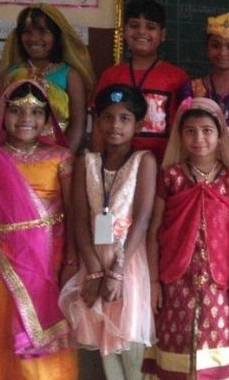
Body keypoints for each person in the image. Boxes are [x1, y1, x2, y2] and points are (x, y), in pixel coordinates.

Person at [0, 80, 78, 379]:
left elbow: (74, 213)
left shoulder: (60, 157)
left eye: (36, 112)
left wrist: (70, 263)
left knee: (42, 348)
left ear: (47, 118)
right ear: (2, 114)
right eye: (16, 110)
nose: (26, 118)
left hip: (48, 262)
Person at [141, 97, 229, 379]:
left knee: (218, 349)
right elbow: (154, 231)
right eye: (190, 131)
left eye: (206, 130)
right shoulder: (170, 177)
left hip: (220, 281)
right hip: (175, 279)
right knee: (174, 348)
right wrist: (154, 282)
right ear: (180, 135)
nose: (199, 138)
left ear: (220, 135)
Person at [58, 84, 155, 380]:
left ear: (138, 124)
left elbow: (142, 219)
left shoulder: (144, 161)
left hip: (128, 265)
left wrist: (116, 271)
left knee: (130, 347)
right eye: (108, 117)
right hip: (94, 263)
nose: (115, 125)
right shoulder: (86, 163)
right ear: (97, 121)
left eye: (125, 118)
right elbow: (79, 218)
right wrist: (95, 271)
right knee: (105, 350)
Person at [92, 0, 189, 162]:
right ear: (124, 31)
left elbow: (185, 125)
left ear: (163, 35)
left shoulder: (177, 77)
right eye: (134, 25)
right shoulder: (111, 75)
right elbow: (98, 123)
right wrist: (97, 163)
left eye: (150, 27)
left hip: (164, 164)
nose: (141, 32)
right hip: (116, 164)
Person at [0, 4, 96, 153]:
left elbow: (78, 125)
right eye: (27, 32)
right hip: (12, 156)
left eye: (43, 31)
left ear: (56, 36)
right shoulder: (10, 74)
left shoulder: (70, 75)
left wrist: (64, 159)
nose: (34, 38)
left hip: (55, 156)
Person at [180, 11, 229, 178]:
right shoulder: (192, 88)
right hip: (201, 157)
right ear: (206, 48)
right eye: (216, 45)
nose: (222, 52)